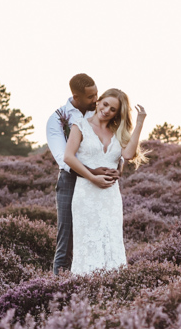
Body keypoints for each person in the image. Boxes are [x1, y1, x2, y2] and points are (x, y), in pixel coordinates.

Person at [61, 88, 145, 275]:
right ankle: (84, 292)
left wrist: (139, 123)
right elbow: (68, 157)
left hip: (110, 198)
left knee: (112, 241)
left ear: (118, 113)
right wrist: (92, 177)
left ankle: (113, 291)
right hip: (86, 195)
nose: (107, 110)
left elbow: (128, 154)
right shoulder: (80, 125)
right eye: (105, 104)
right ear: (98, 102)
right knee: (88, 243)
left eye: (113, 109)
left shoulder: (117, 131)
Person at [43, 74, 109, 275]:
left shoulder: (99, 113)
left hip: (98, 180)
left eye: (97, 93)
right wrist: (91, 172)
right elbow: (64, 158)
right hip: (71, 181)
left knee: (99, 235)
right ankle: (57, 289)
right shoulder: (56, 118)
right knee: (67, 238)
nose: (96, 100)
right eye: (91, 96)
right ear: (76, 96)